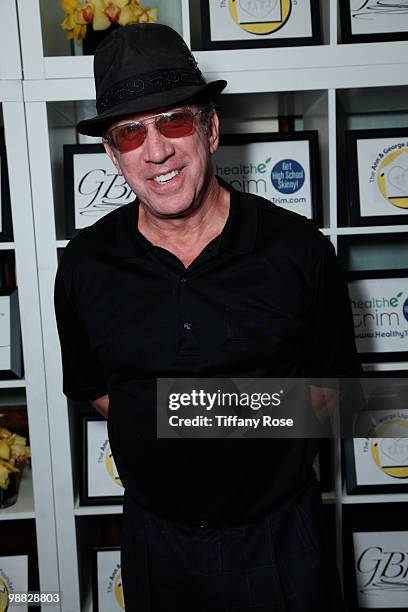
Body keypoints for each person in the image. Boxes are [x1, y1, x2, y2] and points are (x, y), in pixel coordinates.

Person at [54, 23, 361, 611]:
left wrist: (185, 409)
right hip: (155, 544)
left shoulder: (297, 250)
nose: (157, 150)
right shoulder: (86, 265)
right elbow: (95, 388)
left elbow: (335, 392)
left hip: (282, 540)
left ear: (211, 129)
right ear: (112, 155)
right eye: (130, 132)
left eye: (173, 121)